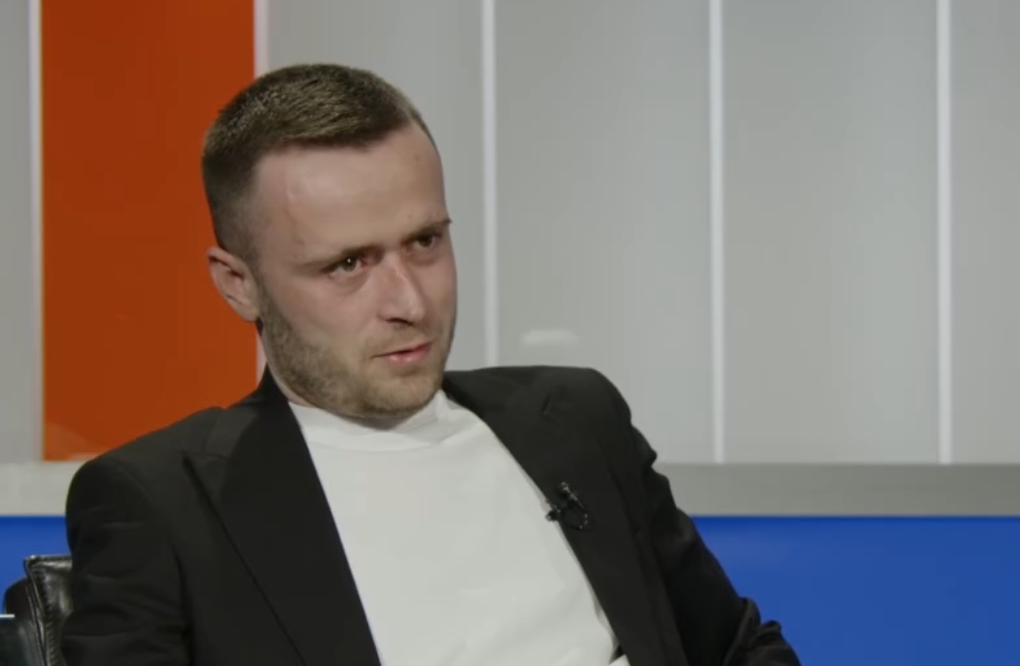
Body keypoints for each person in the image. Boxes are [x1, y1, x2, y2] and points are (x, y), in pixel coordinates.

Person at [61, 63, 800, 666]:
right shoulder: (166, 503)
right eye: (347, 264)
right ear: (238, 283)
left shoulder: (576, 422)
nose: (410, 301)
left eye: (424, 242)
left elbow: (737, 651)